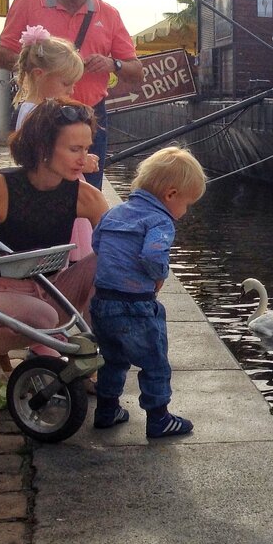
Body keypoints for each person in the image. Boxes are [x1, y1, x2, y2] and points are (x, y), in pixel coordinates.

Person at [0, 98, 109, 394]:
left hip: (52, 290)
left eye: (87, 148)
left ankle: (91, 358)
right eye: (74, 149)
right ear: (42, 147)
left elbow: (120, 257)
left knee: (107, 259)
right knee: (44, 316)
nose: (85, 158)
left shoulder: (86, 197)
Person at [0, 0, 143, 189]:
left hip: (89, 116)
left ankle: (84, 228)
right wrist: (43, 67)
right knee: (37, 190)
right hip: (41, 115)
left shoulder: (108, 14)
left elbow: (137, 71)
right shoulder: (28, 2)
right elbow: (2, 55)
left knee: (86, 190)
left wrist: (112, 63)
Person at [89, 147, 206, 438]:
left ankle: (106, 410)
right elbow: (153, 257)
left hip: (103, 303)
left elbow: (97, 244)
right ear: (170, 194)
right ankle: (159, 418)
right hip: (135, 306)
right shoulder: (160, 221)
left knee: (112, 359)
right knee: (155, 362)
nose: (185, 211)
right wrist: (159, 277)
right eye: (187, 203)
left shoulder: (114, 213)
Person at [13, 25, 95, 262]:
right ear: (40, 75)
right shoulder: (37, 113)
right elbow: (38, 156)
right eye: (65, 83)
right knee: (69, 250)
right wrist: (82, 162)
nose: (71, 90)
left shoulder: (34, 109)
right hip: (57, 189)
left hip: (59, 185)